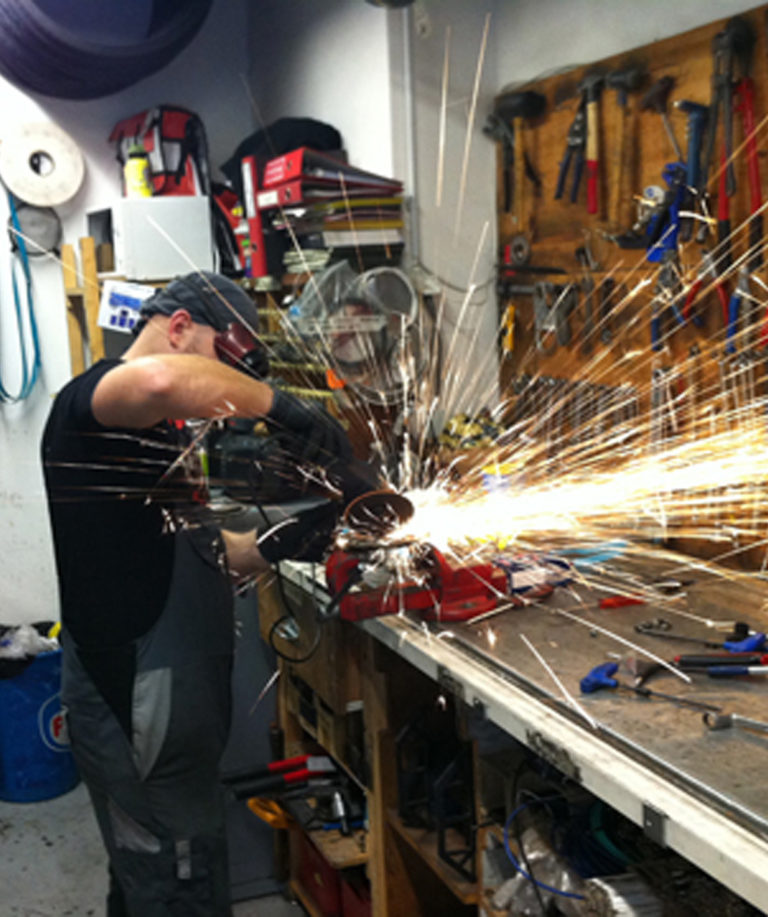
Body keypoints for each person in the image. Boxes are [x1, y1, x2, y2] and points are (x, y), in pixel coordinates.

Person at [41, 271, 354, 916]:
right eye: (223, 359)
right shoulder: (90, 404)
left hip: (170, 715)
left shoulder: (160, 438)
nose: (227, 386)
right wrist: (284, 406)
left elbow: (207, 556)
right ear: (179, 327)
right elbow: (162, 378)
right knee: (171, 877)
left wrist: (286, 539)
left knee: (164, 868)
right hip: (135, 703)